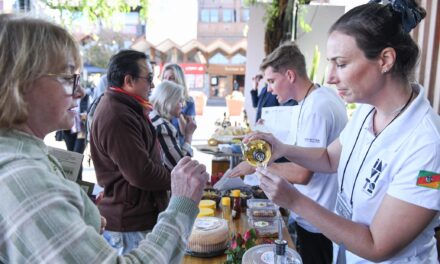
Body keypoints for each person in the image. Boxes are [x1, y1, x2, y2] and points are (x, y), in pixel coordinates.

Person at [0, 16, 208, 263]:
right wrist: (181, 201)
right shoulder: (25, 176)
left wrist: (80, 214)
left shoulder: (27, 155)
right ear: (21, 84)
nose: (80, 91)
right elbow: (140, 173)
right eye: (68, 77)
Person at [248, 1, 440, 263]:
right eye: (330, 63)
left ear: (385, 60)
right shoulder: (367, 111)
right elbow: (329, 158)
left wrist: (294, 201)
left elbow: (376, 245)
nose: (329, 77)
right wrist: (280, 147)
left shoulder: (428, 145)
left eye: (341, 63)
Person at [230, 42, 348, 264]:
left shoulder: (316, 108)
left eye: (272, 81)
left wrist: (255, 166)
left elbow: (303, 173)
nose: (270, 89)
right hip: (316, 214)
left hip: (318, 219)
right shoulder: (312, 100)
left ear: (290, 75)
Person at [90, 50, 171, 254]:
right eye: (149, 79)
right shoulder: (117, 114)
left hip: (137, 216)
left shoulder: (126, 106)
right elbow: (141, 173)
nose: (153, 85)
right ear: (129, 80)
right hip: (129, 223)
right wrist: (176, 179)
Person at [149, 80, 195, 170]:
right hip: (164, 182)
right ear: (169, 101)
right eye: (180, 101)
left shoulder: (151, 116)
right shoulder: (162, 126)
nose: (182, 105)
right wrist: (189, 135)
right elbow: (180, 166)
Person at [161, 63, 197, 147]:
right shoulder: (158, 101)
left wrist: (178, 111)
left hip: (180, 147)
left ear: (179, 80)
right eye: (164, 78)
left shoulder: (188, 101)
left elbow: (185, 132)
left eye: (171, 78)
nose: (167, 81)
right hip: (161, 148)